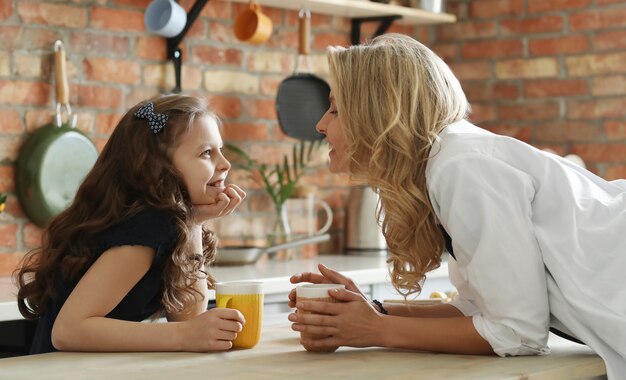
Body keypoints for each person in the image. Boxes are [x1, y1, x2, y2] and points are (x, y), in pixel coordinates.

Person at [287, 34, 626, 379]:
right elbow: (477, 310)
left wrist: (374, 330)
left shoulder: (461, 167)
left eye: (336, 110)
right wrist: (372, 311)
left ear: (377, 115)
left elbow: (517, 332)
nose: (321, 125)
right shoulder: (450, 161)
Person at [15, 94, 248, 354]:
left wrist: (193, 222)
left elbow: (188, 318)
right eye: (207, 153)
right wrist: (184, 335)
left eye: (220, 150)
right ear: (158, 167)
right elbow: (68, 331)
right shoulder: (146, 228)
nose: (225, 164)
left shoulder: (164, 222)